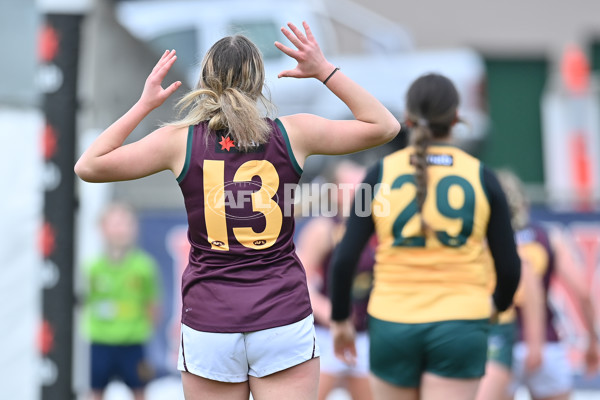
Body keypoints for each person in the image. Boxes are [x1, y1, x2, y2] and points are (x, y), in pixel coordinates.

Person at [75, 21, 399, 400]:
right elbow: (385, 125)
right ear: (260, 83)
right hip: (282, 316)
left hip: (210, 321)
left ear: (205, 83)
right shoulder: (292, 133)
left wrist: (145, 104)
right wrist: (323, 70)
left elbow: (89, 165)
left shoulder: (179, 141)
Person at [328, 73, 522, 400]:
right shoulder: (482, 176)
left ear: (407, 119)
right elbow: (510, 267)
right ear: (457, 119)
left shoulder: (379, 173)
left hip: (393, 321)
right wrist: (495, 307)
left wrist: (340, 321)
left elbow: (344, 259)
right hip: (461, 321)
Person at [496, 170, 600, 400]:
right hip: (546, 344)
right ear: (524, 202)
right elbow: (582, 292)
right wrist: (592, 340)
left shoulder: (486, 241)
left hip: (499, 345)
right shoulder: (548, 236)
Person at [296, 160, 374, 400]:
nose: (359, 191)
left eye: (363, 185)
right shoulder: (323, 228)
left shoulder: (378, 227)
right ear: (333, 192)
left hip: (365, 334)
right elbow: (299, 281)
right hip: (326, 336)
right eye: (350, 185)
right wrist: (330, 312)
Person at [81, 202, 160, 400]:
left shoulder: (144, 267)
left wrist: (145, 331)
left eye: (126, 223)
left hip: (133, 342)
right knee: (96, 391)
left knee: (139, 390)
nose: (121, 229)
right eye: (115, 223)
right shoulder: (92, 268)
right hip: (100, 341)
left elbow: (153, 305)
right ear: (102, 229)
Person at [476, 248, 545, 400]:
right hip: (451, 321)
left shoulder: (494, 237)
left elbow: (526, 280)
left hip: (496, 324)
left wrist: (535, 342)